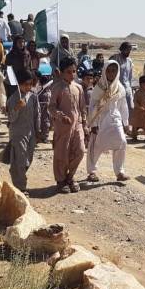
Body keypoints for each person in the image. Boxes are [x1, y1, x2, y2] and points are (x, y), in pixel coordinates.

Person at [86, 60, 130, 183]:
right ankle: (92, 171)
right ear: (104, 71)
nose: (111, 73)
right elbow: (92, 106)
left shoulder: (119, 87)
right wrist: (93, 124)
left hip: (115, 119)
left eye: (114, 70)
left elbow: (123, 106)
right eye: (109, 71)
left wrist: (125, 123)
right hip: (100, 120)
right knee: (95, 146)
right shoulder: (98, 88)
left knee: (121, 142)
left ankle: (119, 171)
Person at [49, 57, 87, 193]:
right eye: (69, 72)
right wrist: (60, 116)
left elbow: (82, 108)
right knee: (62, 153)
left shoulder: (79, 88)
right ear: (62, 72)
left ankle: (70, 176)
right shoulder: (57, 88)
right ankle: (61, 180)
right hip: (62, 127)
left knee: (80, 151)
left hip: (77, 125)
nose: (72, 74)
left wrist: (85, 124)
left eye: (74, 71)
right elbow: (51, 107)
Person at [6, 69, 41, 192]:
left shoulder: (33, 96)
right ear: (19, 84)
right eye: (25, 84)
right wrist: (17, 108)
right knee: (20, 159)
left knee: (28, 159)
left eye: (30, 84)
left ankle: (16, 172)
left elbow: (37, 114)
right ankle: (21, 187)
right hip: (17, 134)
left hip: (30, 133)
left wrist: (38, 130)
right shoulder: (13, 99)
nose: (28, 87)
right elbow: (10, 118)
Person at [109, 42, 135, 115]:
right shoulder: (115, 58)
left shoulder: (129, 61)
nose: (129, 52)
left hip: (127, 89)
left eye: (130, 50)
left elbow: (130, 77)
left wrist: (130, 89)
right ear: (122, 49)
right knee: (117, 110)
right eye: (127, 50)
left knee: (129, 109)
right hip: (116, 89)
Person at [130, 76, 145, 141]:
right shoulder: (137, 93)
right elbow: (135, 102)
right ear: (142, 84)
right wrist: (140, 107)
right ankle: (134, 137)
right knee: (135, 125)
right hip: (138, 113)